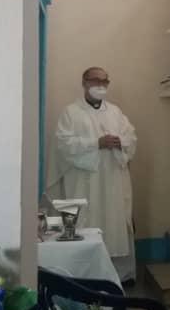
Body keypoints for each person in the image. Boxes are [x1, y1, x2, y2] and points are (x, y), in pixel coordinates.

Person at [48, 67, 137, 282]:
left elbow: (131, 137)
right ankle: (85, 276)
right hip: (84, 180)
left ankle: (118, 275)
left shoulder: (115, 112)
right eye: (95, 80)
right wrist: (95, 143)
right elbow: (63, 143)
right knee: (86, 221)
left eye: (104, 81)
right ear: (84, 83)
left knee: (114, 223)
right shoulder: (71, 112)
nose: (100, 85)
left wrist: (120, 142)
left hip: (113, 178)